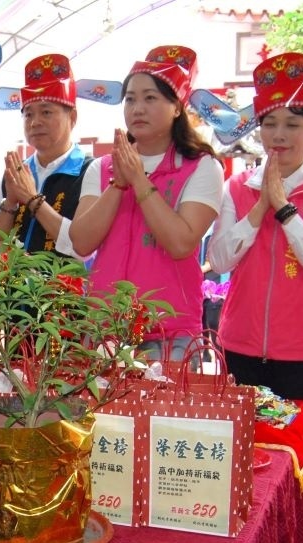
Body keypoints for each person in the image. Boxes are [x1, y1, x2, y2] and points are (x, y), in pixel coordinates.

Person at [206, 53, 303, 414]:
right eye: (270, 124)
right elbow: (220, 258)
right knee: (242, 458)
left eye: (292, 125)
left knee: (300, 457)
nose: (280, 135)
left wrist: (286, 210)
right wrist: (259, 208)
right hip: (240, 344)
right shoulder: (238, 187)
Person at [69, 46, 224, 358]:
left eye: (150, 98)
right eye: (130, 99)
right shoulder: (102, 168)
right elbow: (81, 242)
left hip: (169, 334)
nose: (137, 108)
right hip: (104, 329)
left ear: (177, 107)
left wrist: (139, 180)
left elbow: (181, 242)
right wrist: (119, 183)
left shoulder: (202, 166)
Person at [0, 54, 91, 256]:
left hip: (64, 286)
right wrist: (10, 203)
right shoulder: (17, 171)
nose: (35, 122)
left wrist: (32, 199)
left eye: (46, 112)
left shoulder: (89, 171)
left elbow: (82, 248)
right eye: (28, 114)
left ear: (73, 117)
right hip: (13, 286)